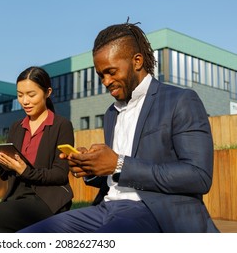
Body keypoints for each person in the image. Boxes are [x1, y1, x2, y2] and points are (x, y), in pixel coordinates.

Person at [19, 21, 219, 233]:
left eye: (111, 72)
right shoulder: (111, 113)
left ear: (137, 61)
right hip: (105, 209)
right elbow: (113, 178)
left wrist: (118, 165)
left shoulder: (180, 100)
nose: (106, 81)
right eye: (101, 75)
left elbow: (198, 176)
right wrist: (91, 168)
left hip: (154, 211)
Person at [0, 66, 74, 233]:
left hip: (47, 199)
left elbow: (60, 174)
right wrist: (1, 159)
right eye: (20, 95)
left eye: (31, 95)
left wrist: (25, 171)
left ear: (47, 92)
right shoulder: (16, 127)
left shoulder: (61, 125)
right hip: (17, 196)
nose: (25, 101)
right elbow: (4, 175)